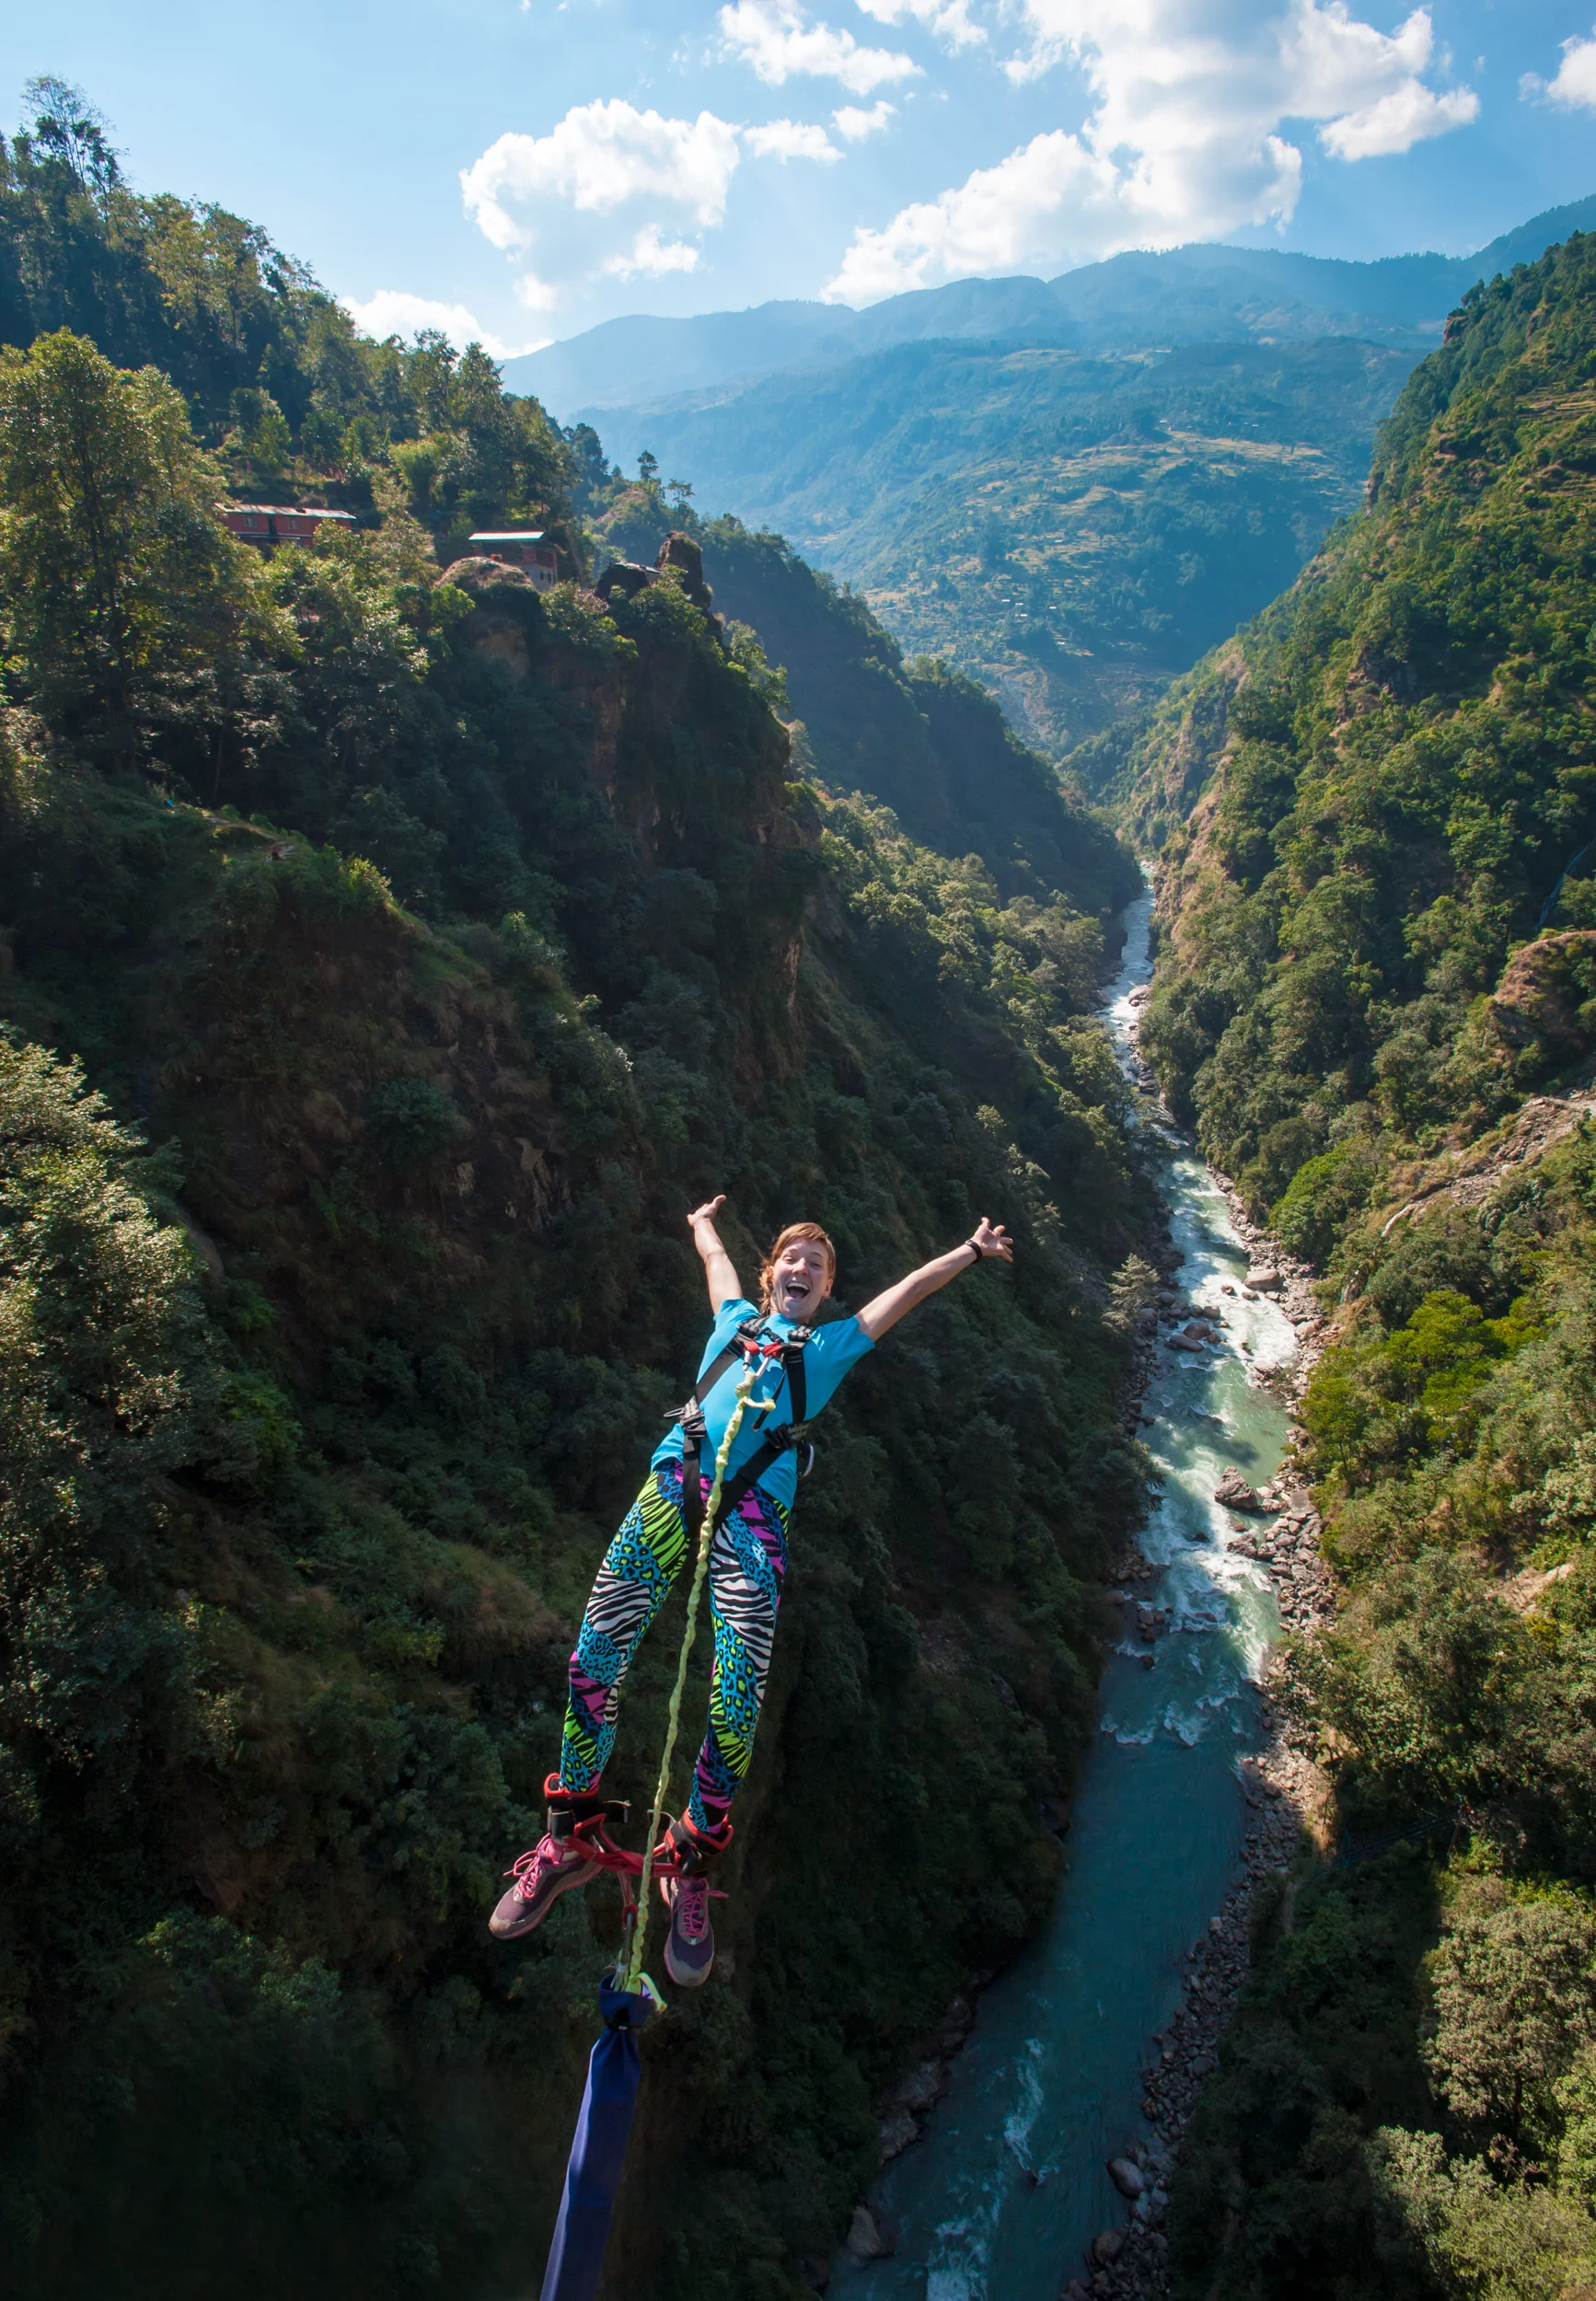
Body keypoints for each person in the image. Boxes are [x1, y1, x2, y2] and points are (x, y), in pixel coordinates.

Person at [489, 1196, 1013, 1983]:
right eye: (792, 1259)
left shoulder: (832, 1345)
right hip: (673, 1486)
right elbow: (715, 1262)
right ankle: (566, 1840)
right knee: (593, 1658)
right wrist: (701, 1221)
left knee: (737, 1697)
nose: (803, 1268)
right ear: (773, 1274)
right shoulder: (733, 1316)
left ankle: (693, 1858)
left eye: (818, 1264)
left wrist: (970, 1250)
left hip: (755, 1519)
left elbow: (905, 1293)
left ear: (827, 1288)